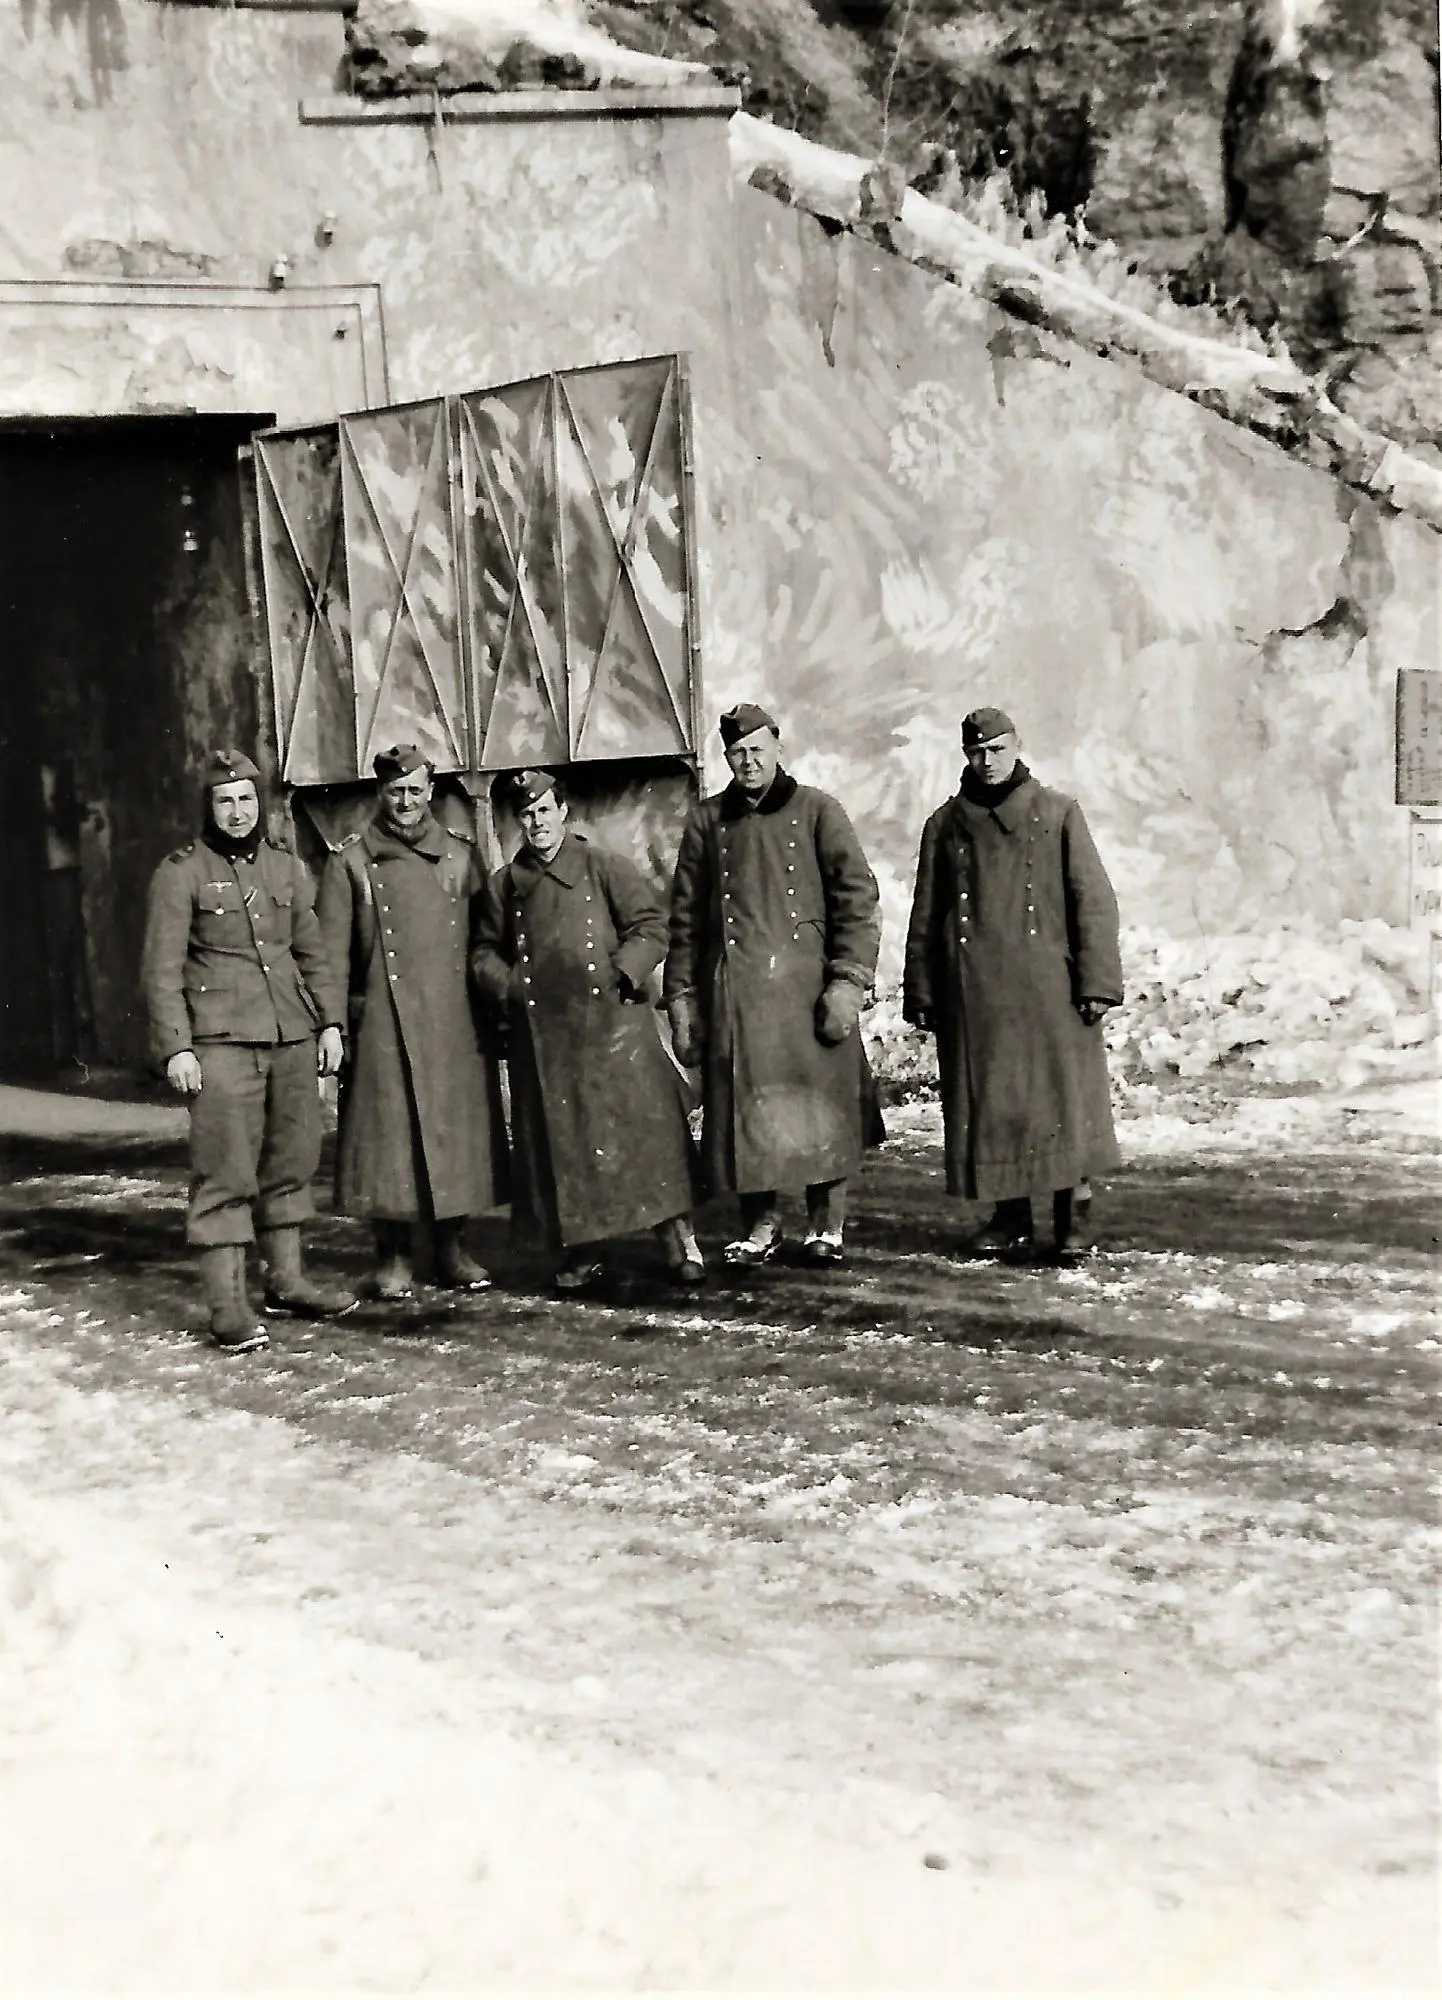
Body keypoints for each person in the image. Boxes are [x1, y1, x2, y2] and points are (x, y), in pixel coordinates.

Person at [140, 747, 355, 1353]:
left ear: (261, 805)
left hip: (291, 1034)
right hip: (220, 1044)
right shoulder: (179, 873)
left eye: (246, 800)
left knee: (291, 1161)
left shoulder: (287, 869)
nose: (237, 813)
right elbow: (160, 970)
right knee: (226, 1170)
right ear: (208, 808)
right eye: (224, 801)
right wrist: (177, 1048)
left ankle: (286, 1280)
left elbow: (312, 952)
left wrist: (331, 1024)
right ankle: (228, 1306)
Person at [902, 706, 1123, 1265]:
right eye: (977, 752)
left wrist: (1096, 981)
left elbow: (1091, 902)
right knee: (996, 1106)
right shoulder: (945, 826)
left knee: (1059, 1102)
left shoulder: (1057, 813)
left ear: (1017, 746)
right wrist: (923, 989)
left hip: (1052, 989)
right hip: (977, 996)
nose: (988, 761)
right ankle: (1011, 1215)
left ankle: (1074, 1215)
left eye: (997, 750)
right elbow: (926, 913)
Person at [664, 703, 883, 1266]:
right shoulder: (707, 823)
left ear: (778, 747)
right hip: (737, 999)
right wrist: (684, 1001)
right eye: (737, 753)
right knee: (749, 1113)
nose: (748, 761)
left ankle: (825, 1225)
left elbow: (857, 902)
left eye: (758, 749)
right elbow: (685, 921)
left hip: (808, 993)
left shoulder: (819, 811)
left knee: (819, 1108)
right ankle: (760, 1225)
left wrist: (848, 981)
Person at [472, 770, 704, 1292]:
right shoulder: (505, 886)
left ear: (563, 813)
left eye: (545, 812)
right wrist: (511, 983)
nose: (537, 824)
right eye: (527, 816)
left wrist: (623, 970)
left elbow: (651, 925)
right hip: (547, 1041)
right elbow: (483, 951)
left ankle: (679, 1239)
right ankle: (582, 1248)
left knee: (648, 1138)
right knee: (567, 1146)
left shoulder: (603, 867)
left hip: (614, 1030)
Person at [317, 745, 507, 1299]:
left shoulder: (460, 858)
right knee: (388, 1142)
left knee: (454, 1136)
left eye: (416, 790)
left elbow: (486, 941)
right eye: (396, 791)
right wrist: (333, 1023)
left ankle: (451, 1245)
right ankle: (392, 1254)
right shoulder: (348, 863)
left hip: (452, 1020)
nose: (406, 802)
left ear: (431, 792)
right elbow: (330, 957)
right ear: (382, 793)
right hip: (382, 1021)